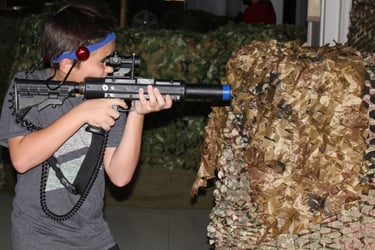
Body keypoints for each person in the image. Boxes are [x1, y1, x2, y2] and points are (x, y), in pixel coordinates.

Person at [0, 4, 172, 250]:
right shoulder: (25, 86)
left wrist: (137, 113)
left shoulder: (109, 93)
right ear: (67, 63)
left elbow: (120, 176)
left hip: (93, 235)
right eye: (103, 62)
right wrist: (81, 113)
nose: (110, 68)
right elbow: (21, 159)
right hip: (36, 236)